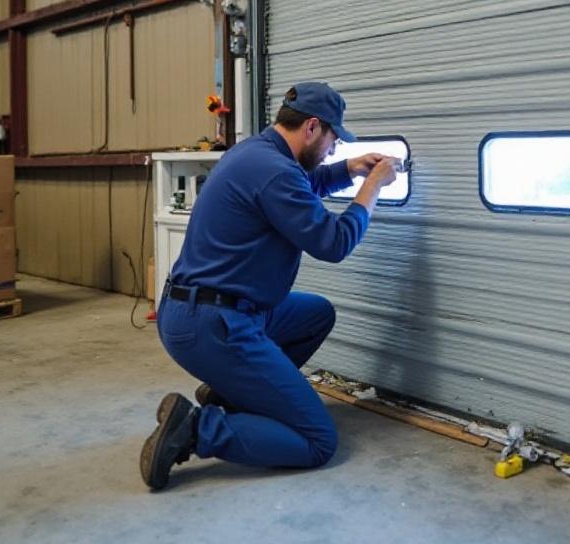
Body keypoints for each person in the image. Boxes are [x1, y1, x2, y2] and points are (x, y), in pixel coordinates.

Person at [140, 81, 398, 491]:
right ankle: (195, 429)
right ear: (312, 127)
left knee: (316, 314)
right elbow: (333, 243)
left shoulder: (257, 152)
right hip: (213, 325)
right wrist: (372, 187)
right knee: (318, 441)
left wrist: (349, 170)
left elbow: (301, 187)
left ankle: (229, 394)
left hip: (202, 311)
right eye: (333, 140)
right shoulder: (276, 171)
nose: (333, 150)